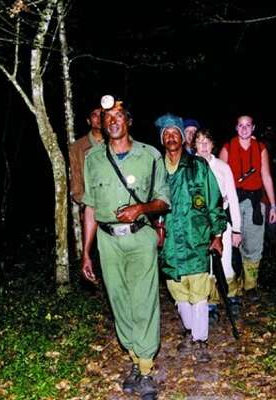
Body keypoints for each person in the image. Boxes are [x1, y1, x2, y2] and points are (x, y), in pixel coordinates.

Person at [81, 98, 169, 400]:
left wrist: (140, 208)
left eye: (119, 115)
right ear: (102, 125)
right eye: (107, 117)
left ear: (128, 121)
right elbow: (90, 208)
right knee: (119, 302)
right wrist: (86, 252)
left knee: (143, 300)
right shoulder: (93, 159)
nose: (113, 121)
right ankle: (134, 360)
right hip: (107, 241)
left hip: (140, 237)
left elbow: (163, 200)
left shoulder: (150, 155)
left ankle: (146, 370)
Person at [155, 114, 226, 363]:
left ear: (184, 137)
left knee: (199, 293)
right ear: (162, 140)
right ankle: (191, 332)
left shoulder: (198, 167)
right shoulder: (156, 170)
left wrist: (218, 234)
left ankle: (200, 340)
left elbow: (214, 201)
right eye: (166, 134)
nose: (171, 137)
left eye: (175, 132)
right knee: (178, 293)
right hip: (170, 244)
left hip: (197, 239)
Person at [219, 115, 276, 302]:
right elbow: (218, 176)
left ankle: (250, 285)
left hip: (255, 203)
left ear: (253, 128)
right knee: (231, 244)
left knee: (253, 244)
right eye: (241, 125)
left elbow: (266, 177)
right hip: (233, 202)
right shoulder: (227, 147)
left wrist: (273, 206)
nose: (244, 129)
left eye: (248, 125)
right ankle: (230, 286)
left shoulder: (260, 148)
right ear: (236, 128)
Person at [194, 128, 243, 321]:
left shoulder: (222, 167)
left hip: (221, 223)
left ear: (213, 144)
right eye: (199, 141)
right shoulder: (189, 167)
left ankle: (232, 298)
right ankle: (211, 304)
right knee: (207, 268)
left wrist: (236, 229)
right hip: (199, 226)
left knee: (225, 263)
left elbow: (232, 197)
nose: (204, 145)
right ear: (194, 145)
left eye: (207, 141)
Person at [69, 107, 104, 205]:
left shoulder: (116, 142)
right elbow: (76, 179)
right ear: (89, 121)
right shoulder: (77, 147)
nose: (99, 118)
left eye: (102, 114)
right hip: (90, 202)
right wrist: (84, 204)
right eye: (94, 115)